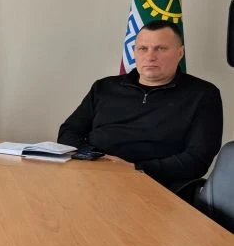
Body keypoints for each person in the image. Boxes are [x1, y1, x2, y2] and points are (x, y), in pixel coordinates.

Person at [58, 20, 223, 191]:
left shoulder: (202, 94)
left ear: (180, 53)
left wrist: (136, 168)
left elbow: (197, 159)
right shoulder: (104, 87)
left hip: (157, 186)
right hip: (93, 175)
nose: (150, 57)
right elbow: (68, 131)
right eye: (143, 49)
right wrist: (94, 157)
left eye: (161, 48)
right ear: (134, 52)